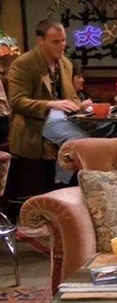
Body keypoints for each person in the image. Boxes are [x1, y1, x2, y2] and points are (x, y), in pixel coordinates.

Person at [7, 19, 111, 183]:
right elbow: (17, 102)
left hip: (65, 116)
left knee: (108, 126)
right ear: (41, 41)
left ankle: (98, 181)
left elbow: (71, 98)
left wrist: (83, 107)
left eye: (63, 40)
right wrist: (50, 104)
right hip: (38, 120)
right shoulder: (24, 64)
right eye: (56, 42)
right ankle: (62, 183)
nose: (62, 45)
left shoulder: (65, 63)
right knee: (80, 140)